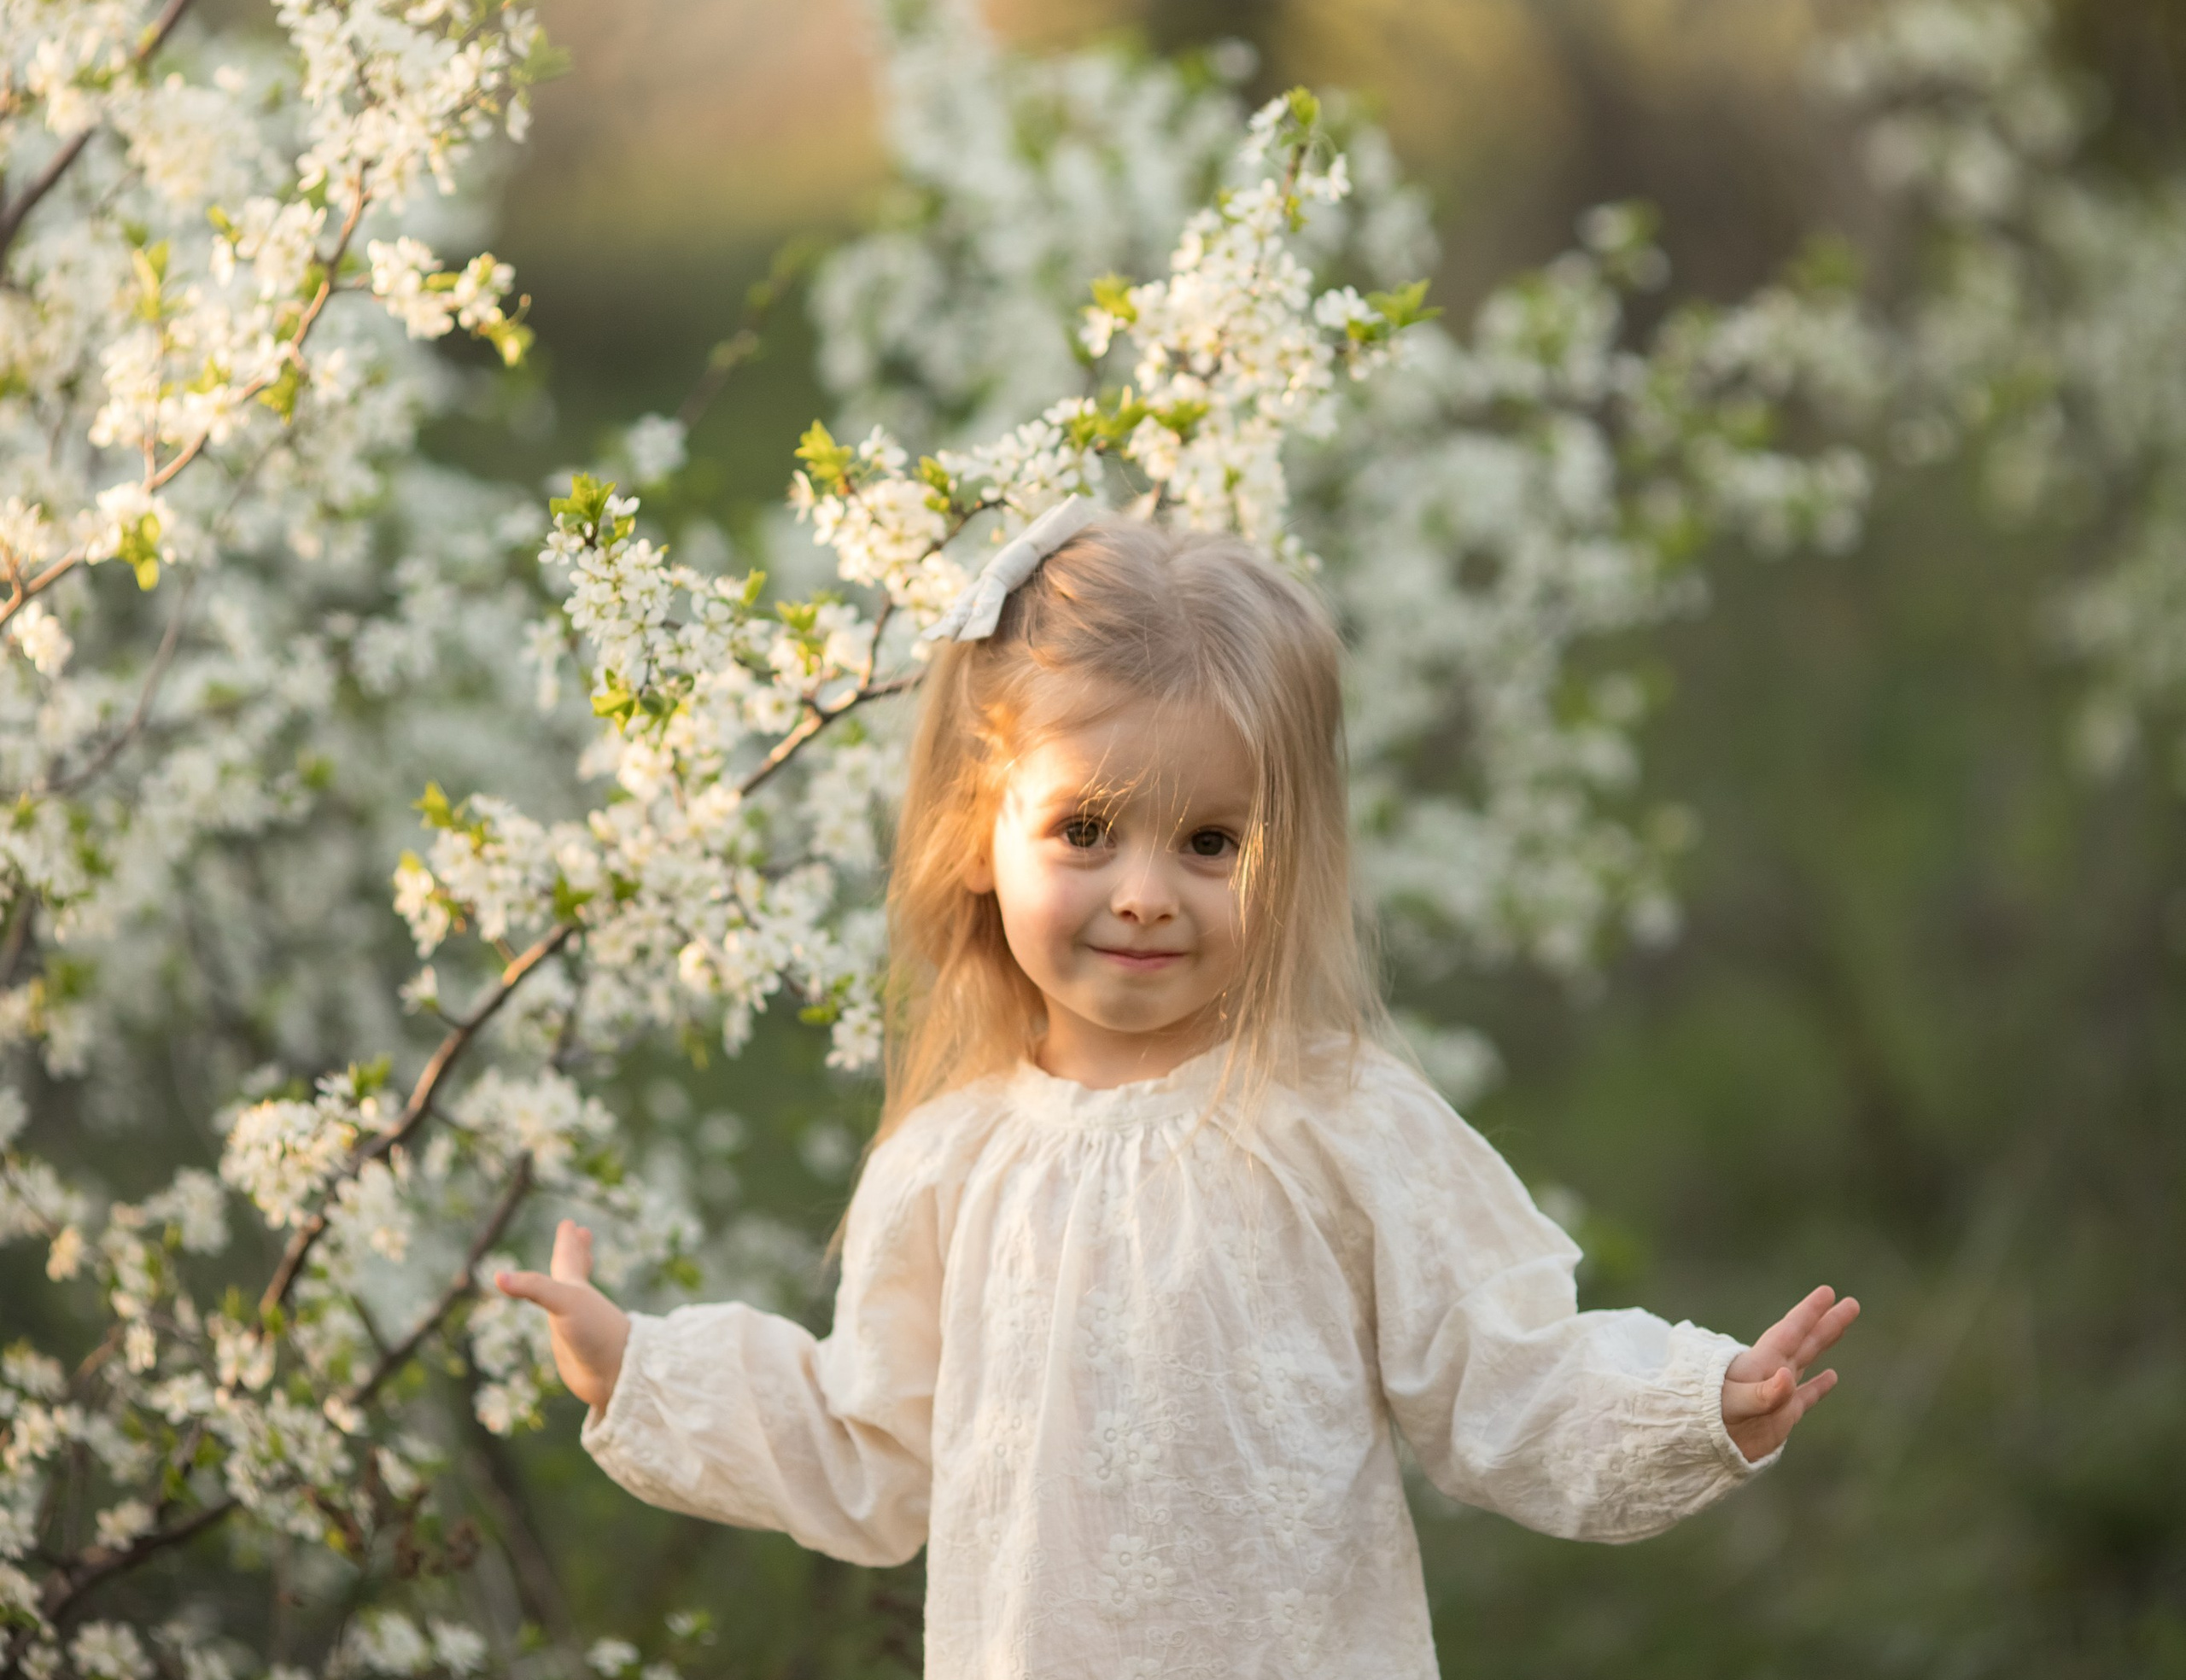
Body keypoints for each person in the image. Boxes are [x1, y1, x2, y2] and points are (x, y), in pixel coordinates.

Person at [497, 510, 1859, 1677]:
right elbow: (871, 1449)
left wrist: (1693, 1403)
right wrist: (643, 1373)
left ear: (1293, 854)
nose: (1146, 891)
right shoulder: (950, 1161)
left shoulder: (1340, 1123)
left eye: (1212, 842)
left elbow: (1497, 1374)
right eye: (1087, 831)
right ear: (981, 833)